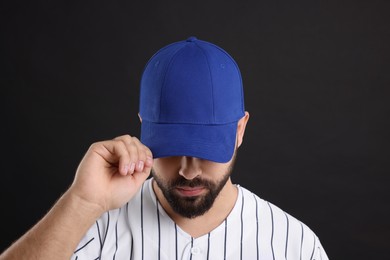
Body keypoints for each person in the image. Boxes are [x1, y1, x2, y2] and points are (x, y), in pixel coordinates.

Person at [0, 37, 329, 260]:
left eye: (205, 148)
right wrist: (82, 201)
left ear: (240, 130)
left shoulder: (293, 244)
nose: (188, 170)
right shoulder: (95, 225)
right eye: (172, 147)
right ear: (144, 126)